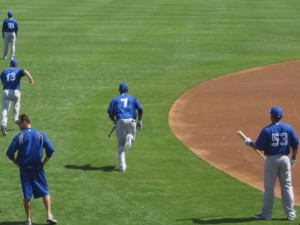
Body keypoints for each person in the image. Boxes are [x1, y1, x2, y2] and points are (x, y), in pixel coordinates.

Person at [244, 106, 298, 221]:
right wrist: (293, 158)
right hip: (285, 159)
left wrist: (249, 142)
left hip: (272, 160)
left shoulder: (267, 130)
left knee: (269, 188)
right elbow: (296, 144)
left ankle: (267, 214)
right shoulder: (289, 128)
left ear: (271, 117)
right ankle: (291, 214)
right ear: (281, 117)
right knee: (287, 186)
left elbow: (258, 146)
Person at [6, 114, 57, 225]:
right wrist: (44, 162)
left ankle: (28, 219)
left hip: (25, 169)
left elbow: (9, 153)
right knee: (45, 191)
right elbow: (51, 149)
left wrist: (17, 163)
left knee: (27, 194)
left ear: (25, 122)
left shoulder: (19, 136)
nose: (18, 125)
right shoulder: (40, 134)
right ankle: (49, 214)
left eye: (19, 123)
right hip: (38, 168)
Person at [107, 82, 143, 172]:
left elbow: (110, 113)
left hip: (120, 121)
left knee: (120, 144)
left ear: (119, 90)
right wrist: (140, 120)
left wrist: (114, 121)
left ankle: (122, 165)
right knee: (132, 138)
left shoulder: (115, 100)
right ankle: (130, 136)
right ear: (127, 90)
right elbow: (140, 109)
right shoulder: (133, 98)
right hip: (131, 120)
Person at [0, 59, 34, 136]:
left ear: (10, 65)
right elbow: (25, 71)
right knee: (16, 105)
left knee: (5, 109)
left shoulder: (4, 71)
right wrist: (30, 78)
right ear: (16, 65)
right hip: (15, 91)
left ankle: (3, 124)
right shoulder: (18, 70)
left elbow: (2, 81)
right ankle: (16, 119)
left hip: (6, 91)